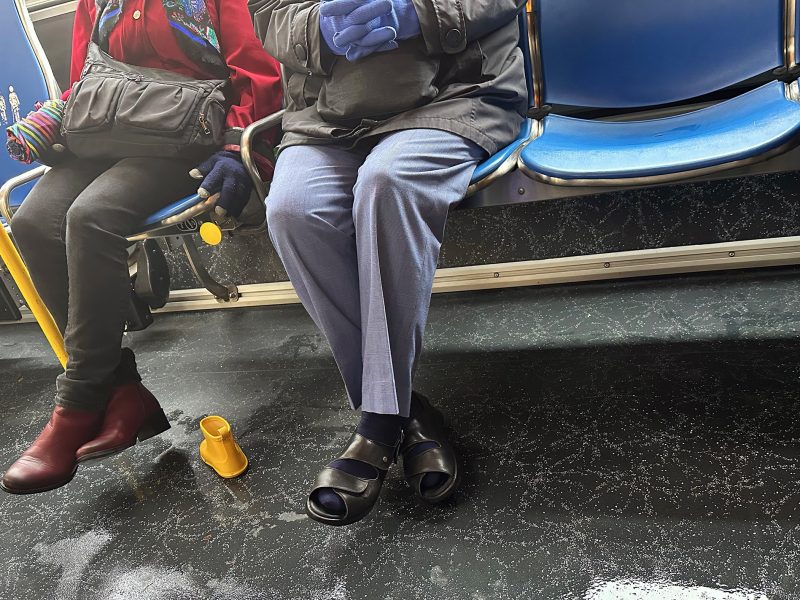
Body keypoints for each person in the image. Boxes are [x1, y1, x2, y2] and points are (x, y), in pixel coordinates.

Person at [249, 0, 527, 525]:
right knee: (291, 210)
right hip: (326, 114)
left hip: (454, 94)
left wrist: (417, 13)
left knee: (387, 184)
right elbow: (269, 13)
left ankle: (379, 422)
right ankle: (408, 411)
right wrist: (318, 29)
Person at [1, 0, 282, 494]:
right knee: (33, 223)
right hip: (108, 131)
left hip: (183, 132)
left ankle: (78, 404)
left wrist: (237, 145)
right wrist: (57, 115)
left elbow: (257, 71)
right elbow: (87, 74)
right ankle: (123, 392)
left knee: (92, 218)